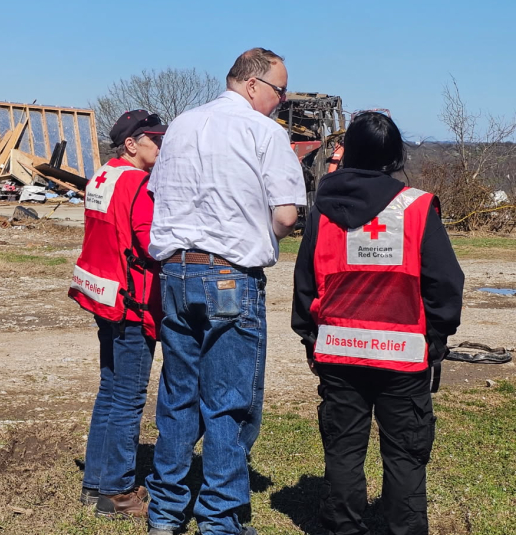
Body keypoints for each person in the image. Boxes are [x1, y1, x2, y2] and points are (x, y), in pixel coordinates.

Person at [145, 48, 305, 535]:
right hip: (229, 276)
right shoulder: (263, 132)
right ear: (254, 85)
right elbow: (286, 215)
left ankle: (166, 511)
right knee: (227, 401)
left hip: (174, 271)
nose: (280, 102)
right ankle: (219, 518)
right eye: (279, 92)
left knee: (177, 394)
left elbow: (158, 195)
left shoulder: (182, 126)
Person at [291, 111, 464, 535]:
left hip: (338, 353)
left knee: (344, 452)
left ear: (347, 152)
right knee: (405, 454)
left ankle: (342, 527)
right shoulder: (417, 208)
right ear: (394, 156)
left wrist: (311, 340)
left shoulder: (322, 211)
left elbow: (305, 284)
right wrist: (435, 338)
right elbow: (445, 283)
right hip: (403, 357)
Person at [69, 109, 167, 519]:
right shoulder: (138, 183)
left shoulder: (103, 176)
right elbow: (151, 245)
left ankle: (95, 483)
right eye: (155, 140)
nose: (161, 147)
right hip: (131, 301)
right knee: (127, 397)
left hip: (102, 295)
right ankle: (118, 492)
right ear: (132, 143)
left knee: (109, 391)